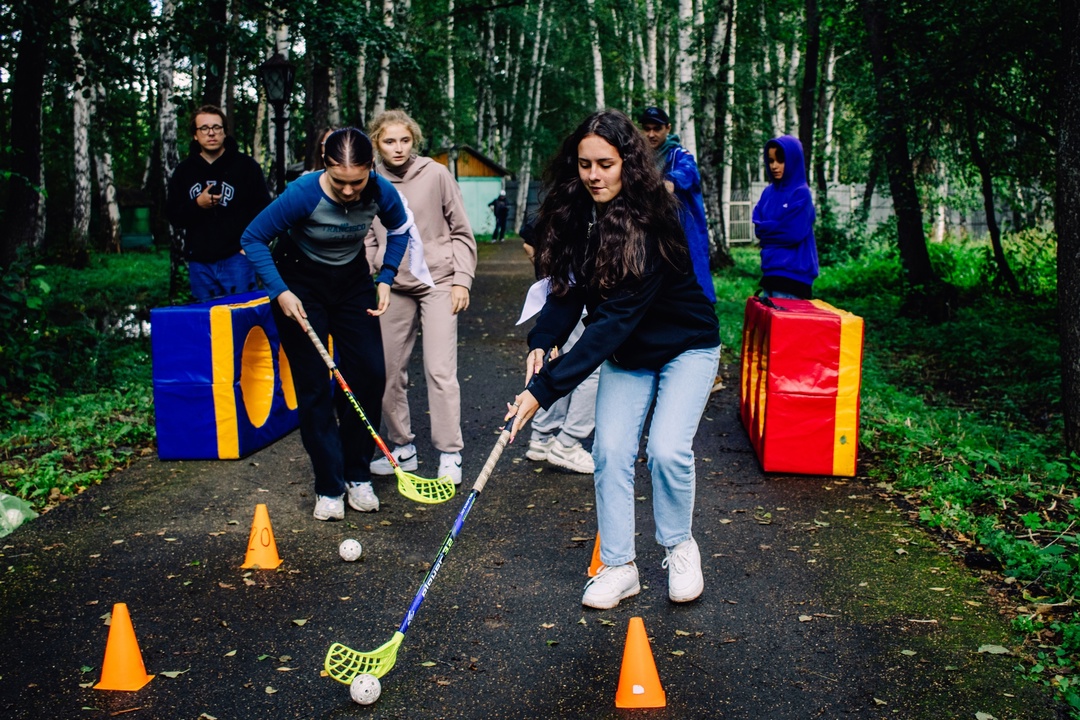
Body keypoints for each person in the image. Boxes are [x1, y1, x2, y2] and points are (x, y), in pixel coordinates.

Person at [505, 110, 721, 610]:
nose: (594, 175)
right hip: (631, 353)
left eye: (605, 163)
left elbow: (610, 324)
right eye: (585, 164)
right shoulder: (579, 213)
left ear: (628, 162)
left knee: (667, 450)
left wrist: (541, 392)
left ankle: (678, 546)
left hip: (686, 346)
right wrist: (543, 340)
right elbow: (566, 292)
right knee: (611, 452)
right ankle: (620, 565)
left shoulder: (652, 218)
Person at [240, 127, 418, 521]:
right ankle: (329, 484)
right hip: (300, 283)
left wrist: (386, 276)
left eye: (358, 181)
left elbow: (401, 230)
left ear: (371, 169)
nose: (350, 191)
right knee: (315, 384)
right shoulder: (303, 193)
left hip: (353, 283)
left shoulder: (380, 190)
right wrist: (280, 291)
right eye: (340, 182)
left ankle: (358, 474)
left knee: (369, 375)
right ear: (326, 167)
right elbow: (252, 237)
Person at [365, 109, 477, 485]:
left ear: (414, 141)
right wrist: (374, 268)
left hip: (439, 282)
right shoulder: (370, 179)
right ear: (377, 144)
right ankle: (402, 448)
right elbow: (366, 232)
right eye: (389, 141)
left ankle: (449, 453)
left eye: (404, 140)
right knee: (387, 370)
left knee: (440, 370)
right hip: (392, 284)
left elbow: (461, 230)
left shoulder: (436, 174)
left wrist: (462, 279)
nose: (397, 148)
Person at [166, 105, 270, 302]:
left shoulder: (246, 167)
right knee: (209, 323)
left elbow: (264, 210)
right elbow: (173, 215)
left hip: (237, 259)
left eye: (217, 127)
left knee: (242, 320)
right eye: (204, 128)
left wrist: (248, 248)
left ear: (224, 132)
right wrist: (197, 204)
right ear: (195, 135)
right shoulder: (184, 171)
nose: (211, 133)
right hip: (199, 262)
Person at [519, 218, 598, 474]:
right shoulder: (572, 207)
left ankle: (542, 438)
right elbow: (528, 241)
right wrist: (548, 273)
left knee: (561, 363)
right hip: (575, 301)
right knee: (590, 370)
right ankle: (567, 443)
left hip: (574, 299)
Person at [638, 106, 716, 304]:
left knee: (693, 293)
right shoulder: (639, 159)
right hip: (652, 235)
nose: (651, 134)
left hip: (683, 236)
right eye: (646, 128)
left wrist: (669, 182)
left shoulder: (680, 155)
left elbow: (688, 173)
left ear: (668, 128)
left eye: (657, 128)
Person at [752, 135, 819, 299]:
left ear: (793, 160)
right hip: (769, 272)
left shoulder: (801, 193)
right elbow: (758, 228)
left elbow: (793, 232)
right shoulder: (768, 193)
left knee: (787, 324)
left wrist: (769, 230)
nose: (774, 166)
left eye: (781, 160)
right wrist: (776, 226)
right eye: (771, 160)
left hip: (795, 276)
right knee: (768, 324)